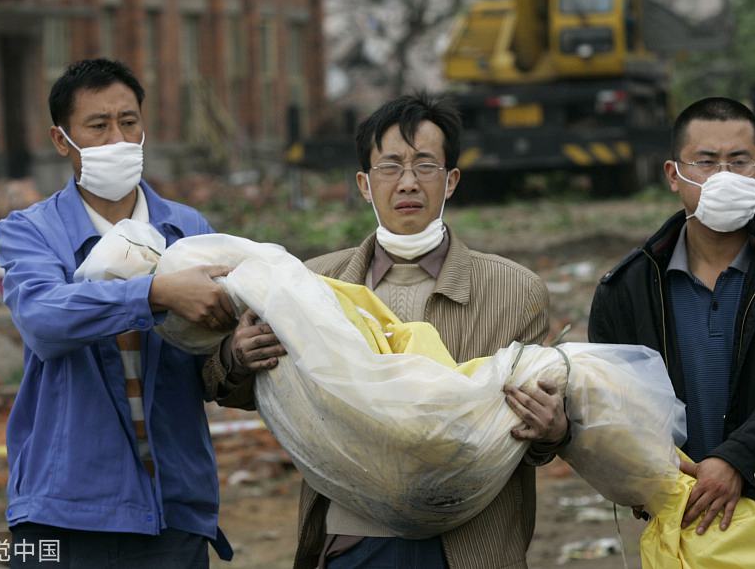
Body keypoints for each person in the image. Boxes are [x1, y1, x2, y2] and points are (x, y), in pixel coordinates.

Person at [203, 93, 566, 569]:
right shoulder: (310, 284)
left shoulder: (514, 290)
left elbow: (532, 431)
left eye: (426, 165)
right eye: (390, 167)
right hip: (351, 537)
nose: (408, 182)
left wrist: (552, 431)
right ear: (364, 184)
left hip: (467, 544)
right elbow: (231, 387)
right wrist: (236, 356)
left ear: (452, 180)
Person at [587, 97, 755, 569]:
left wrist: (739, 460)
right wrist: (644, 470)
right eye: (706, 162)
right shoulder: (630, 286)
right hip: (685, 527)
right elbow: (613, 398)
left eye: (738, 163)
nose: (723, 177)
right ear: (674, 175)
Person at [0, 59, 236, 568]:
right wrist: (157, 293)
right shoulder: (30, 231)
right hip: (66, 510)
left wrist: (239, 354)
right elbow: (43, 317)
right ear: (62, 141)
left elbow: (212, 363)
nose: (118, 138)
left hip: (174, 508)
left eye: (129, 122)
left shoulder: (187, 228)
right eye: (98, 125)